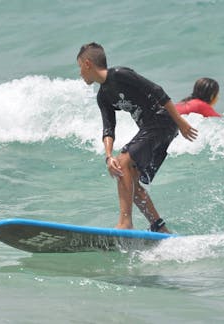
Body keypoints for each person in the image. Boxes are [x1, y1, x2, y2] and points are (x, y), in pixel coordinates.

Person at [76, 42, 198, 233]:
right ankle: (159, 227)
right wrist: (108, 156)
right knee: (128, 178)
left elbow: (158, 90)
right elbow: (108, 128)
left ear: (88, 63)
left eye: (79, 67)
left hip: (162, 120)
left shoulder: (119, 75)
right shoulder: (103, 96)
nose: (80, 73)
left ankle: (125, 223)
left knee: (123, 162)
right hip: (150, 128)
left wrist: (180, 121)